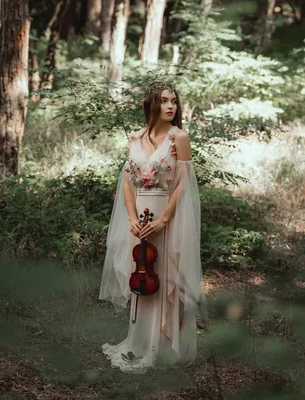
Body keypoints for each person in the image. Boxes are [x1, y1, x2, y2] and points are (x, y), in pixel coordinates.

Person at [99, 81, 206, 374]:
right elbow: (127, 181)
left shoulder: (179, 137)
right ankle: (137, 341)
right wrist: (132, 218)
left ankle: (162, 345)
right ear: (151, 105)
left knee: (166, 275)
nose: (171, 106)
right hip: (139, 217)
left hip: (167, 215)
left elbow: (184, 184)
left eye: (174, 101)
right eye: (164, 101)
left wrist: (163, 219)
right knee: (142, 273)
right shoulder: (134, 138)